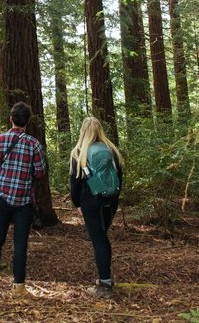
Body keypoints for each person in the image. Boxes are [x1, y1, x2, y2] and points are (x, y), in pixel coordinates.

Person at [0, 102, 46, 296]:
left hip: (3, 199)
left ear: (11, 119)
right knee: (20, 243)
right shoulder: (33, 144)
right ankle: (18, 288)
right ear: (28, 121)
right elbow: (40, 172)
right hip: (24, 201)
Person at [69, 117, 123, 299]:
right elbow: (120, 177)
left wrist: (77, 204)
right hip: (110, 199)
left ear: (83, 131)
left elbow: (74, 184)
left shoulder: (78, 153)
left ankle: (105, 285)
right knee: (103, 237)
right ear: (100, 130)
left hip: (90, 202)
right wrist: (114, 198)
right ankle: (106, 279)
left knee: (98, 240)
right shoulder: (112, 150)